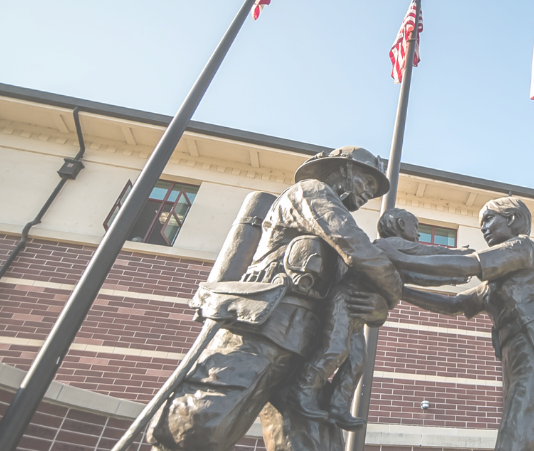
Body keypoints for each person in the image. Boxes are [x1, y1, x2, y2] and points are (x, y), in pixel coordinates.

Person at [148, 146, 401, 451]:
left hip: (307, 349)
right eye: (367, 183)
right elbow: (358, 250)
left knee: (313, 444)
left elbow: (351, 286)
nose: (368, 194)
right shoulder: (312, 193)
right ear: (345, 170)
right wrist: (393, 290)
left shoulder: (335, 225)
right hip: (262, 330)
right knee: (200, 424)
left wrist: (376, 308)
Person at [376, 197, 534, 451]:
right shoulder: (494, 285)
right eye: (482, 224)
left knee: (515, 441)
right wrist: (400, 290)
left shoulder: (522, 247)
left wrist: (398, 257)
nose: (484, 228)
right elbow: (454, 304)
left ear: (512, 219)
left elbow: (470, 263)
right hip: (517, 358)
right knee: (525, 440)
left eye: (489, 219)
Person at [287, 207, 472, 429]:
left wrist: (454, 277)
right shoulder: (389, 245)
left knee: (356, 361)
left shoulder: (397, 260)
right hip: (345, 302)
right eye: (416, 227)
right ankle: (302, 392)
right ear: (401, 225)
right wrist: (462, 255)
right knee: (334, 350)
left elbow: (419, 276)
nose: (419, 234)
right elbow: (427, 254)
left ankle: (338, 407)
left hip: (356, 312)